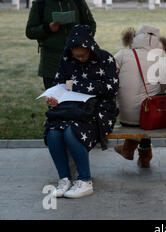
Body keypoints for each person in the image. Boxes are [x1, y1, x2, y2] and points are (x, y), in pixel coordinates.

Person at [44, 25, 119, 198]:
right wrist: (54, 99)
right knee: (53, 132)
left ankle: (85, 181)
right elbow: (59, 85)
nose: (80, 58)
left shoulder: (105, 58)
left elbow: (112, 87)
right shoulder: (66, 59)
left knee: (72, 132)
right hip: (71, 109)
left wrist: (76, 85)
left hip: (100, 110)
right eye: (76, 55)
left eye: (83, 55)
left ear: (91, 48)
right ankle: (64, 179)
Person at [26, 0, 96, 89]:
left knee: (80, 102)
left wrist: (81, 41)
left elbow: (91, 25)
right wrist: (48, 28)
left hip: (79, 61)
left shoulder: (77, 0)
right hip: (51, 64)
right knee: (55, 103)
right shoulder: (40, 4)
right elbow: (30, 31)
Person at [113, 25, 166, 168]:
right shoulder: (161, 58)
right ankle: (144, 155)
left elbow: (110, 78)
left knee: (142, 110)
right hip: (151, 118)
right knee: (149, 108)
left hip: (125, 116)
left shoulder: (122, 54)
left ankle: (130, 149)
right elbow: (162, 91)